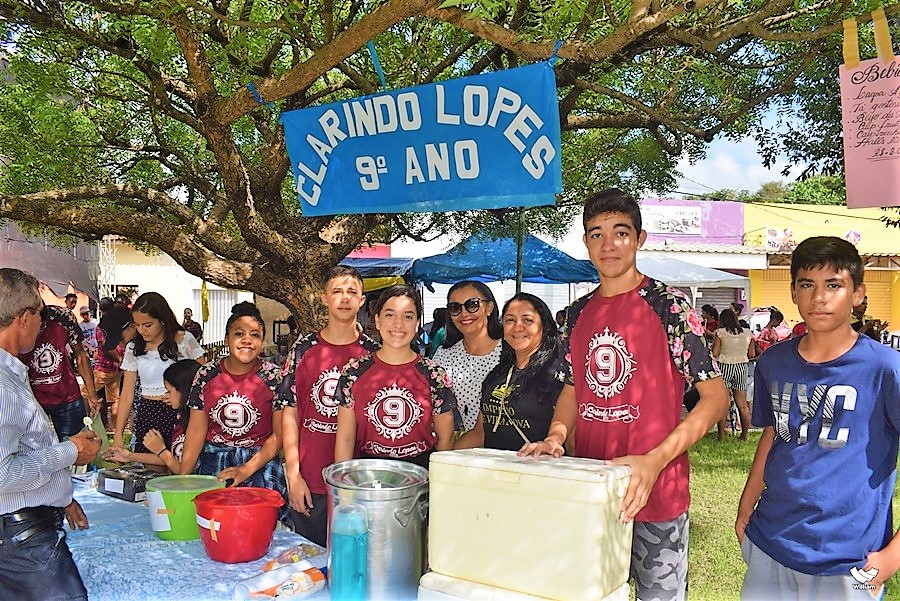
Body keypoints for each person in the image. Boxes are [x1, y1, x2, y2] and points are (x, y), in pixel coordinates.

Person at [519, 188, 728, 601]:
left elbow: (716, 399)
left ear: (640, 239)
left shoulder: (668, 305)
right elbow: (572, 388)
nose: (608, 244)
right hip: (590, 490)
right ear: (585, 242)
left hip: (656, 493)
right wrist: (557, 436)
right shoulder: (573, 315)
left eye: (620, 232)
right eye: (596, 234)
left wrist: (655, 461)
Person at [736, 236, 900, 599]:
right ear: (793, 292)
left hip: (846, 557)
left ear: (857, 293)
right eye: (807, 284)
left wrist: (892, 557)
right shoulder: (773, 362)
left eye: (834, 285)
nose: (819, 297)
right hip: (770, 541)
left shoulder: (885, 369)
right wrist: (746, 506)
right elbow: (774, 434)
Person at [0, 268, 101, 601]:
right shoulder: (2, 385)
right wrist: (69, 451)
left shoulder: (11, 372)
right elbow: (2, 474)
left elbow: (21, 447)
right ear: (25, 317)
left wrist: (61, 495)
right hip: (20, 538)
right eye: (40, 315)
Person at [280, 266, 379, 546]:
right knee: (309, 567)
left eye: (352, 292)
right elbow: (289, 412)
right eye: (337, 291)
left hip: (358, 482)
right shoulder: (304, 349)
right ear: (324, 298)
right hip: (310, 480)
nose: (344, 298)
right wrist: (293, 475)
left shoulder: (372, 354)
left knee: (353, 564)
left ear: (361, 300)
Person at [334, 285, 456, 469]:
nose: (398, 325)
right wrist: (343, 486)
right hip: (369, 473)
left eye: (408, 316)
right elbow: (345, 438)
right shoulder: (354, 371)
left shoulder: (433, 374)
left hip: (420, 473)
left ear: (417, 324)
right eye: (390, 315)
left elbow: (445, 438)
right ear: (377, 320)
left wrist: (433, 480)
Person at [179, 302, 287, 506]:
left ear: (262, 342)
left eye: (255, 335)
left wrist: (246, 469)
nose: (247, 340)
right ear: (227, 339)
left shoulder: (274, 377)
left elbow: (279, 435)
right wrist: (184, 479)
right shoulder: (206, 375)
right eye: (239, 334)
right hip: (215, 463)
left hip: (259, 464)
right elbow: (195, 432)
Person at [455, 293, 565, 451]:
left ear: (544, 327)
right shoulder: (497, 374)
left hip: (537, 470)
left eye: (528, 320)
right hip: (496, 471)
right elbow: (479, 434)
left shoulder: (558, 375)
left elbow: (570, 438)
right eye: (510, 320)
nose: (518, 327)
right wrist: (440, 457)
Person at [111, 292, 206, 460]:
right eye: (137, 325)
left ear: (162, 319)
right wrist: (118, 434)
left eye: (147, 325)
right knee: (147, 465)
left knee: (178, 462)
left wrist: (184, 396)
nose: (142, 330)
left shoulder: (183, 340)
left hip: (179, 413)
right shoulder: (134, 347)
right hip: (148, 412)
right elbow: (127, 394)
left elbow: (203, 378)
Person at [105, 359, 201, 473]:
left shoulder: (196, 424)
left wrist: (161, 450)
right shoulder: (181, 417)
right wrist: (130, 456)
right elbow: (172, 459)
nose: (166, 395)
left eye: (169, 391)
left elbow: (183, 471)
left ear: (183, 391)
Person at [432, 281, 503, 433]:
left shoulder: (510, 349)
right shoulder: (444, 355)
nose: (464, 314)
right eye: (455, 308)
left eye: (472, 305)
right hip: (469, 450)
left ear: (489, 308)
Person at [20, 304, 100, 437]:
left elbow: (80, 354)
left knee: (76, 447)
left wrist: (92, 394)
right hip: (31, 400)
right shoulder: (12, 318)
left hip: (67, 398)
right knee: (34, 451)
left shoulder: (62, 317)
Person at [712, 306, 755, 441]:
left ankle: (721, 436)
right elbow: (752, 354)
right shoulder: (748, 333)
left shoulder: (720, 333)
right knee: (742, 404)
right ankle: (744, 435)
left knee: (723, 403)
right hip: (742, 367)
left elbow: (715, 353)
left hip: (725, 367)